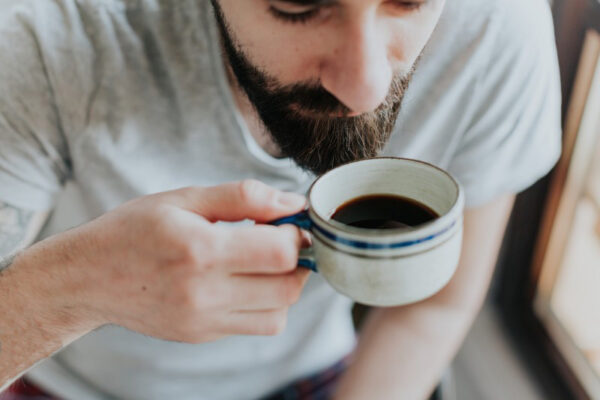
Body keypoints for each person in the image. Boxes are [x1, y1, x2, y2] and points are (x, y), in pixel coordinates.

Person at [0, 0, 561, 399]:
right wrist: (73, 289)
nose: (364, 89)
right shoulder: (46, 30)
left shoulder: (500, 29)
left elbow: (434, 305)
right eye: (298, 5)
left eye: (409, 1)